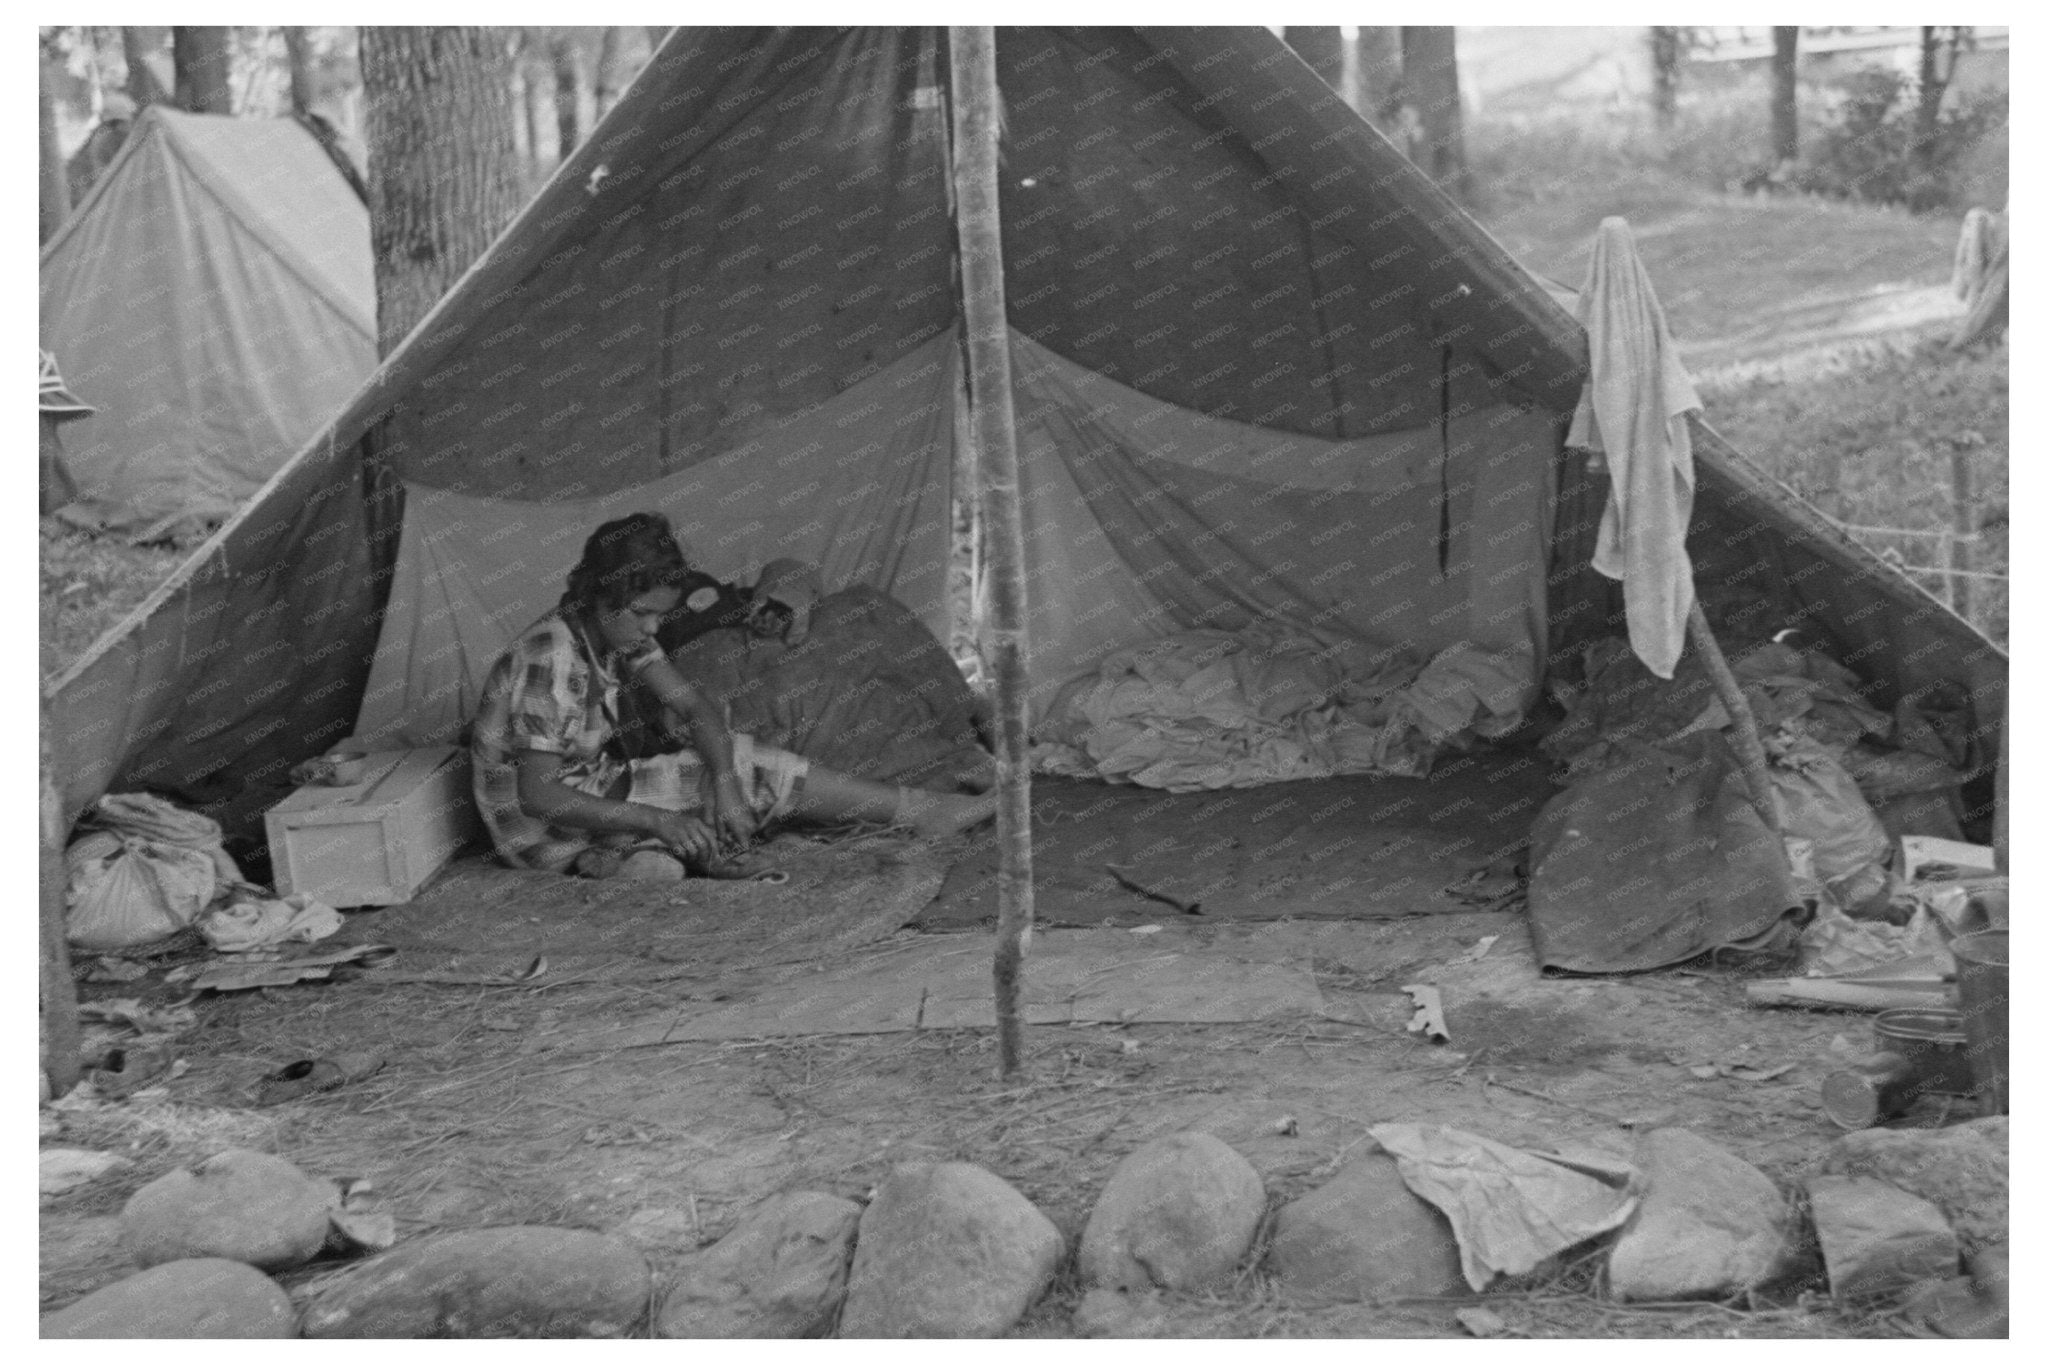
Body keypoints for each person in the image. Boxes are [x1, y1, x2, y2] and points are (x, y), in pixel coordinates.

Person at [470, 512, 996, 879]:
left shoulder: (617, 630)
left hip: (590, 786)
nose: (652, 628)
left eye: (658, 615)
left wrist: (724, 783)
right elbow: (538, 796)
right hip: (539, 833)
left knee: (728, 775)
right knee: (750, 776)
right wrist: (659, 817)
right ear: (601, 594)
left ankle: (640, 857)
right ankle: (924, 812)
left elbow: (693, 706)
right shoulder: (551, 659)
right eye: (644, 614)